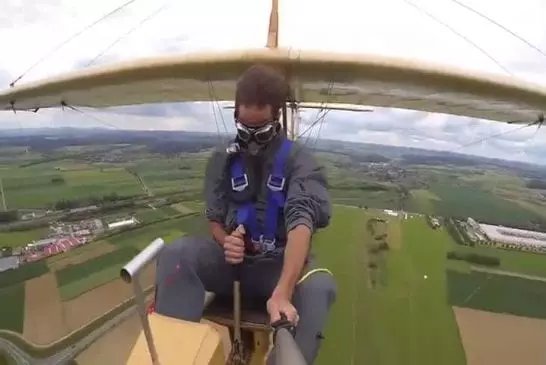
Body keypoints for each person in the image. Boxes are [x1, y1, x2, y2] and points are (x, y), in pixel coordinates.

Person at [153, 64, 337, 364]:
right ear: (236, 115)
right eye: (243, 129)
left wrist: (283, 290)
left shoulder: (300, 162)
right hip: (233, 265)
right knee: (175, 255)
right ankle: (173, 357)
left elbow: (301, 220)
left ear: (276, 119)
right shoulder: (221, 160)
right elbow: (214, 217)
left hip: (280, 266)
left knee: (320, 286)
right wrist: (226, 241)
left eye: (261, 131)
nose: (251, 139)